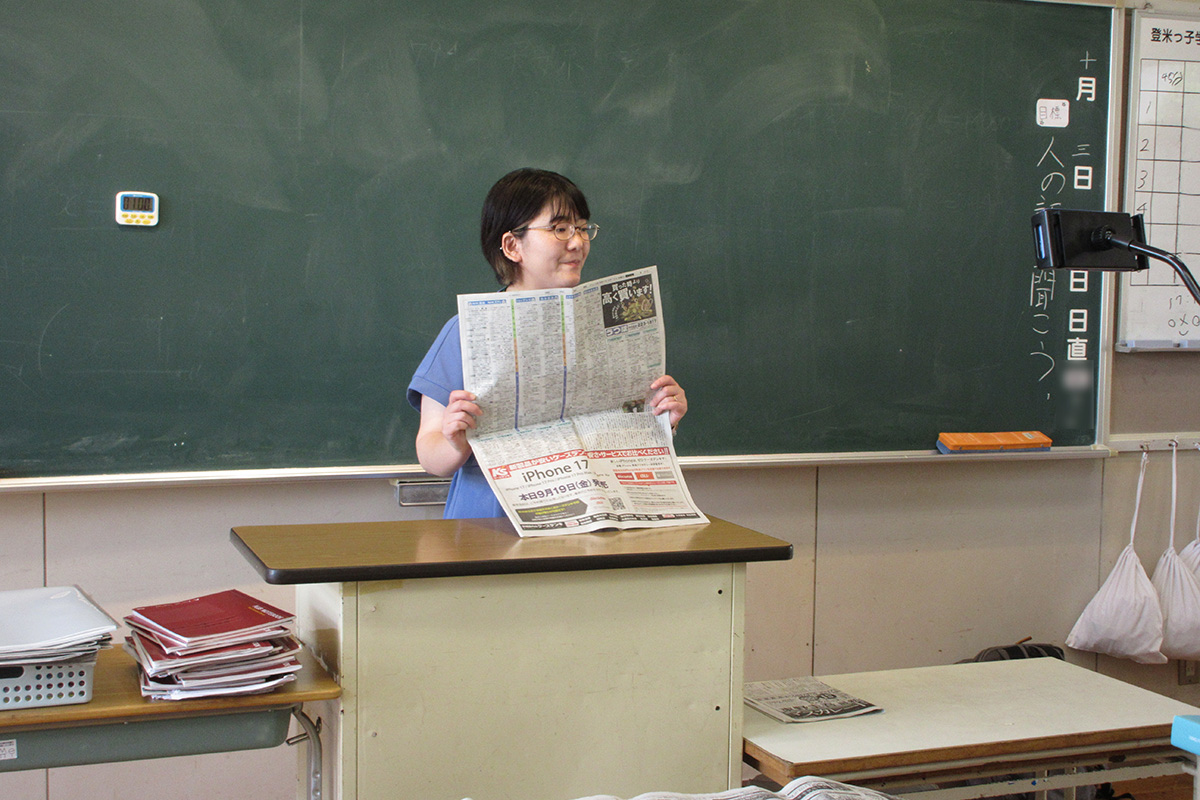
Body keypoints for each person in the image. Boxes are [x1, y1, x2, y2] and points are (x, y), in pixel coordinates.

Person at [407, 167, 688, 519]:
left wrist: (663, 417)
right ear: (512, 245)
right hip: (488, 527)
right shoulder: (466, 331)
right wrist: (454, 441)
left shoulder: (603, 325)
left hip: (592, 522)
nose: (578, 242)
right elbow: (430, 455)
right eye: (560, 229)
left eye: (583, 228)